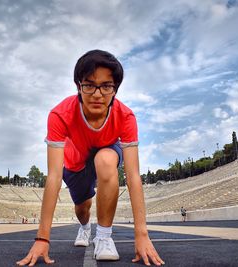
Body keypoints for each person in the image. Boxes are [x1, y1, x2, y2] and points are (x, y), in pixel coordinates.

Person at [16, 50, 165, 266]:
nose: (97, 94)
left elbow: (133, 175)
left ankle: (103, 237)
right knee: (82, 208)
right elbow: (54, 176)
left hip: (107, 149)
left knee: (105, 161)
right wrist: (42, 238)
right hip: (75, 161)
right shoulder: (59, 115)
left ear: (115, 90)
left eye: (106, 86)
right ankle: (85, 228)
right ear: (78, 85)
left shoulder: (126, 117)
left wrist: (142, 234)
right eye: (89, 85)